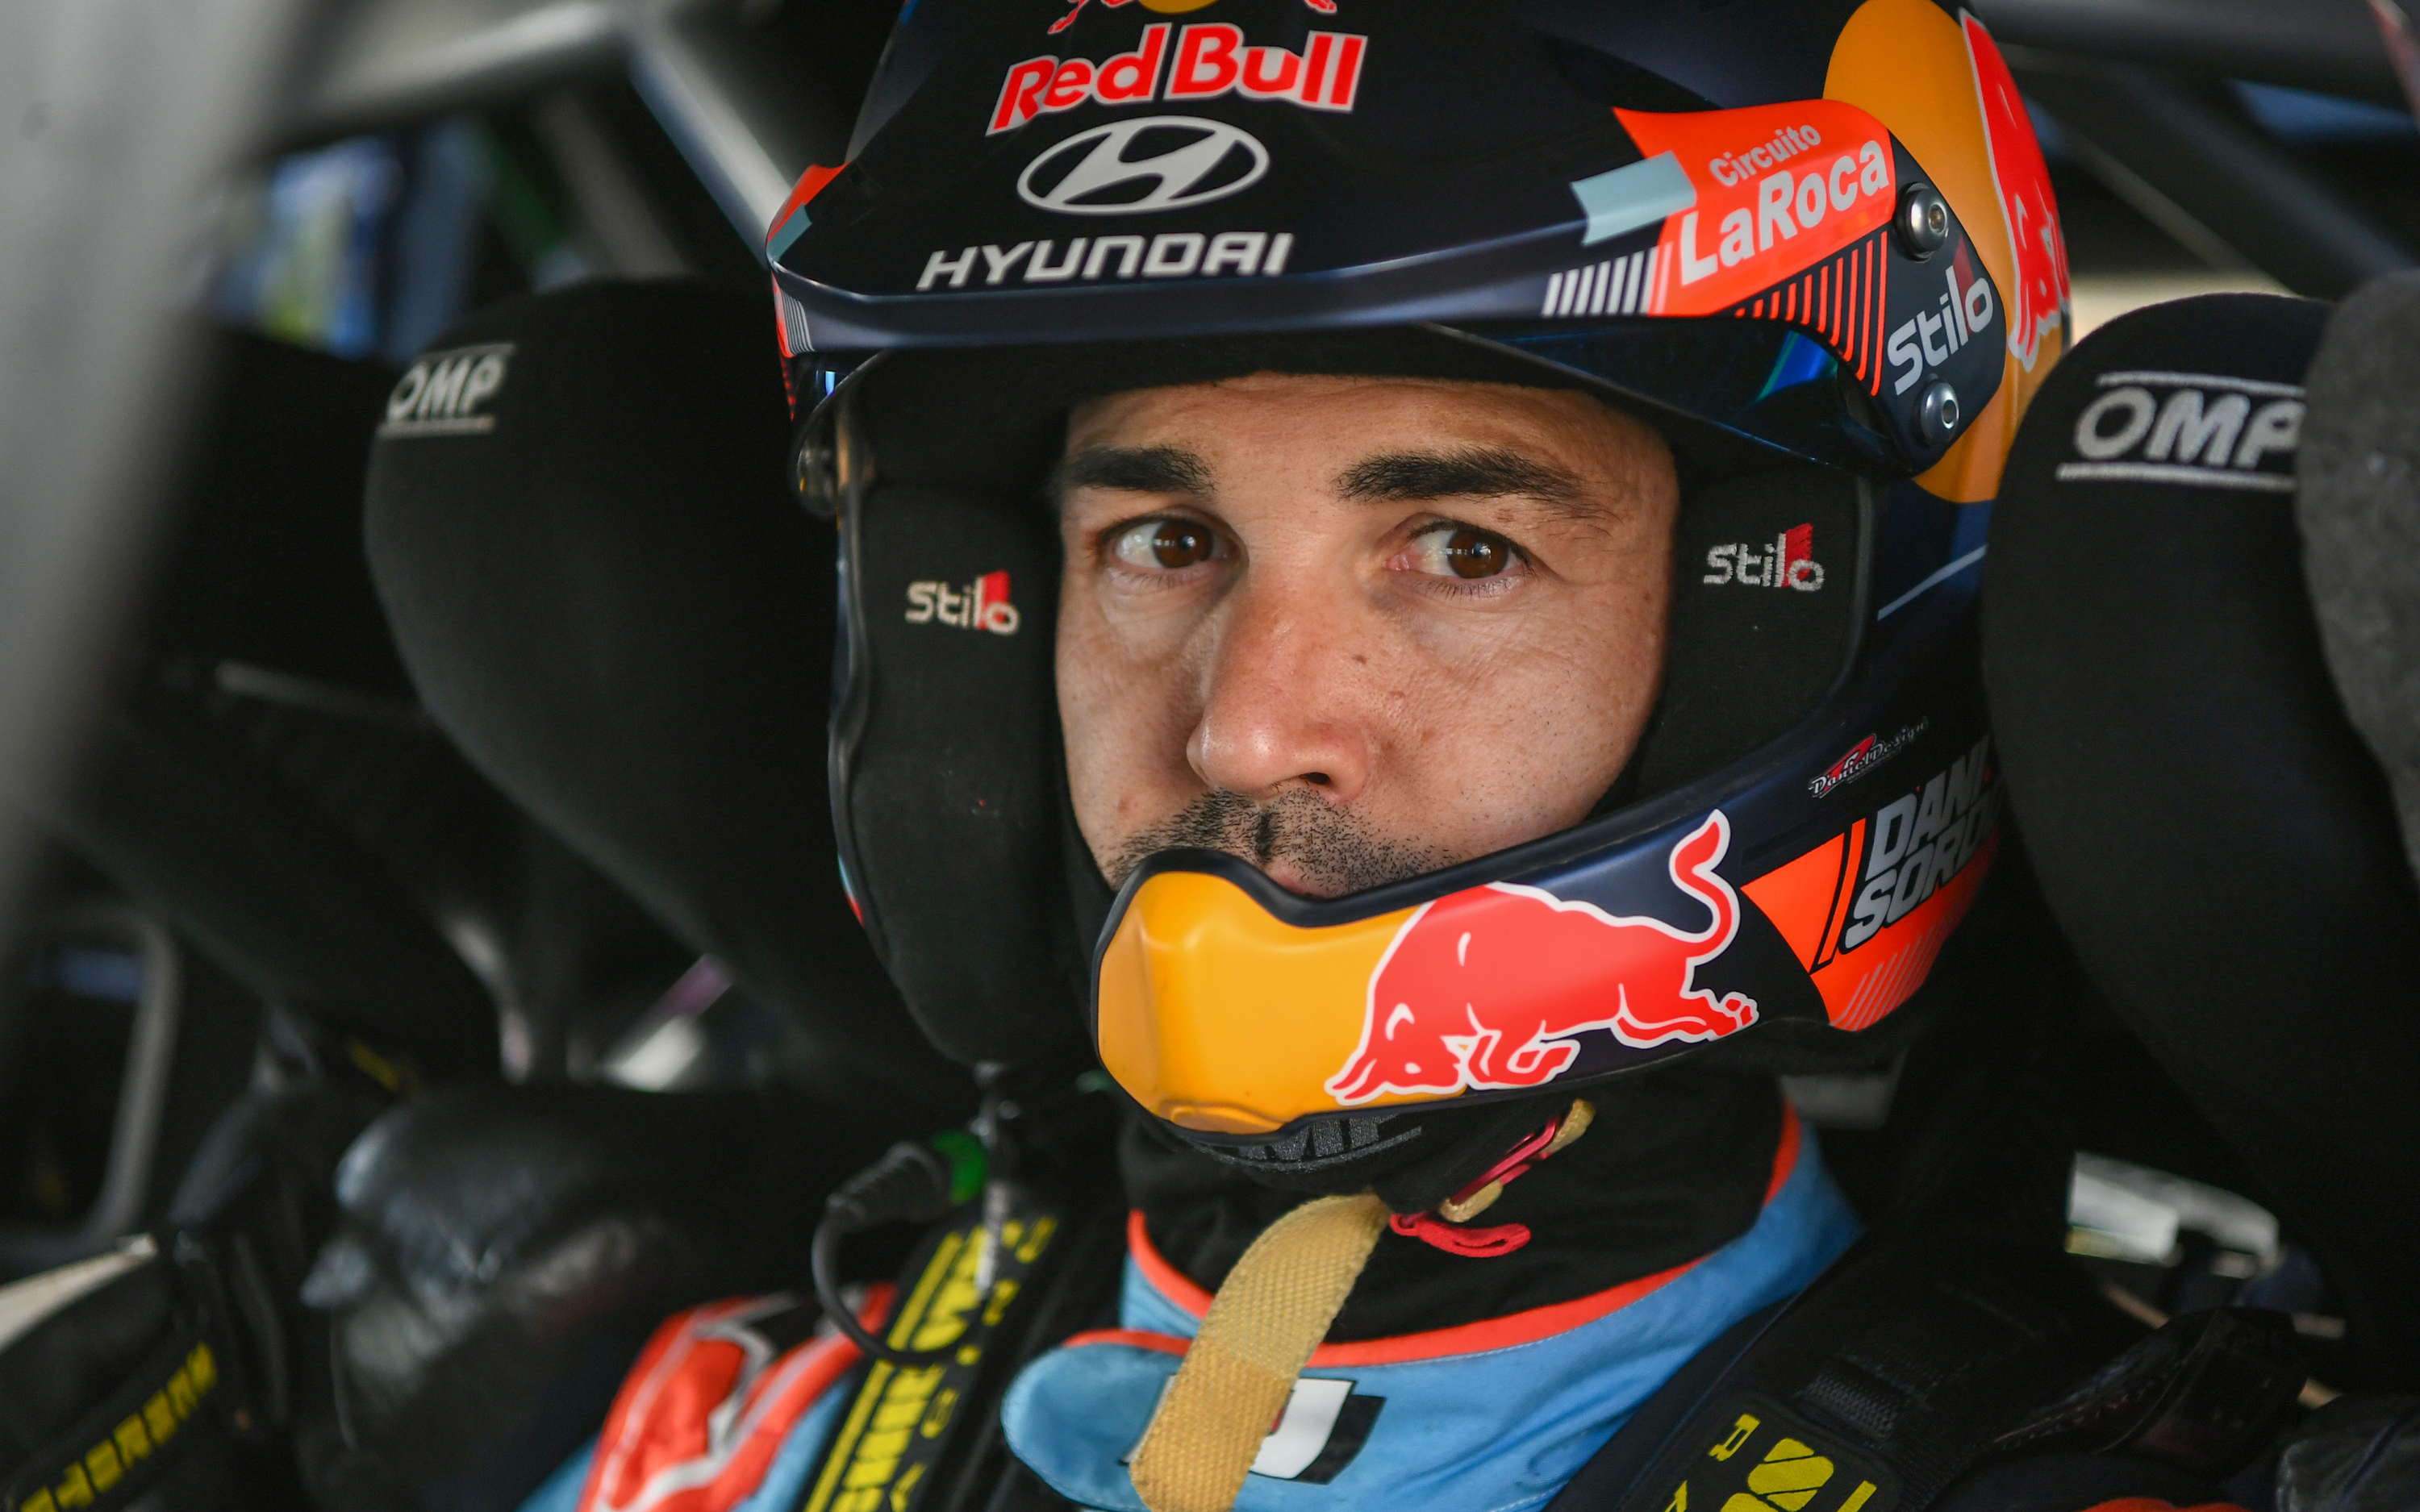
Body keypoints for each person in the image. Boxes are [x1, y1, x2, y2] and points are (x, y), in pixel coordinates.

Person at [515, 3, 2306, 1511]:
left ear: (1782, 634)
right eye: (1161, 544)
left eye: (1462, 549)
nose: (1247, 723)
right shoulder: (755, 1436)